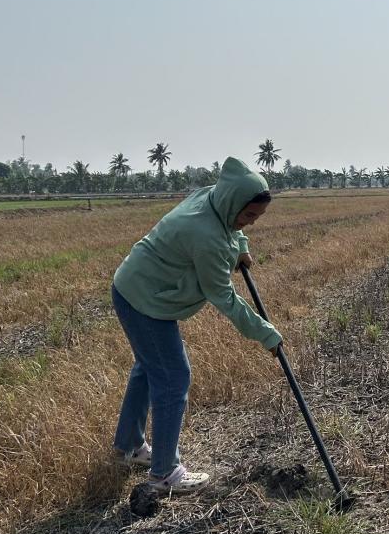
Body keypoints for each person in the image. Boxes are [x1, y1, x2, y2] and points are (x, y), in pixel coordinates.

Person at [110, 157, 282, 493]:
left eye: (256, 218)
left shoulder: (213, 197)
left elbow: (231, 229)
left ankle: (128, 447)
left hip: (135, 284)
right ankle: (164, 473)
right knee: (173, 376)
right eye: (248, 216)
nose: (251, 223)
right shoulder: (208, 238)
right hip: (144, 299)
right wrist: (266, 333)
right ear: (232, 202)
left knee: (149, 368)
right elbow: (224, 297)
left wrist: (242, 244)